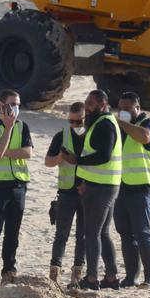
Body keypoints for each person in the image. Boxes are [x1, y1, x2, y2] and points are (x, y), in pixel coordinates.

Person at [61, 90, 121, 290]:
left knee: (91, 233)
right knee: (102, 233)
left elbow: (104, 155)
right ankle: (111, 277)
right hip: (103, 184)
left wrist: (77, 161)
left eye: (91, 104)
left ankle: (92, 278)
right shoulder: (100, 122)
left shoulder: (105, 124)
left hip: (101, 187)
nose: (87, 107)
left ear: (103, 105)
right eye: (86, 102)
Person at [0, 89, 32, 288]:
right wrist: (8, 129)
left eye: (18, 104)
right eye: (12, 103)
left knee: (13, 232)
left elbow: (28, 152)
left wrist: (2, 153)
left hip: (19, 183)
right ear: (1, 105)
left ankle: (9, 271)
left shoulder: (23, 126)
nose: (16, 108)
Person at [114, 92, 150, 288]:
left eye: (127, 109)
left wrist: (120, 122)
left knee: (142, 233)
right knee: (125, 233)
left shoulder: (149, 124)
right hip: (120, 188)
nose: (123, 112)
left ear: (137, 108)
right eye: (120, 108)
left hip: (143, 188)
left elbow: (144, 137)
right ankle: (131, 277)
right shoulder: (120, 129)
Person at [44, 102, 87, 287]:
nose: (75, 125)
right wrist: (60, 158)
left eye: (79, 121)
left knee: (83, 235)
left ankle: (77, 274)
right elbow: (48, 161)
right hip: (66, 193)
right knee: (61, 234)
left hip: (87, 193)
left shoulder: (93, 135)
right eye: (71, 121)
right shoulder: (62, 136)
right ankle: (55, 273)